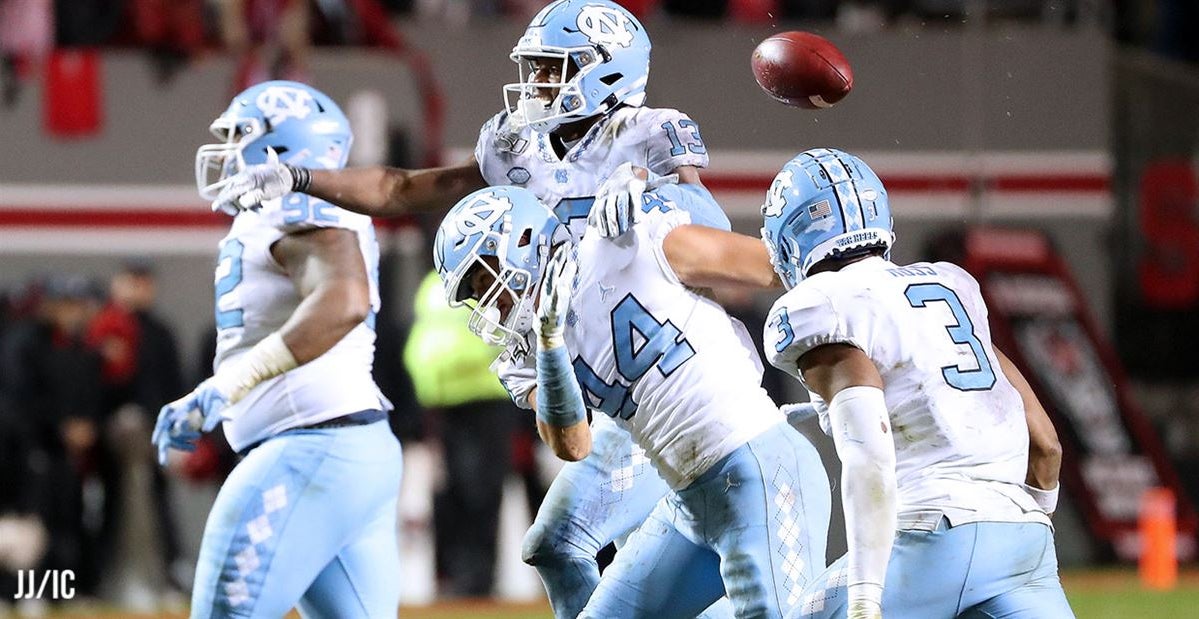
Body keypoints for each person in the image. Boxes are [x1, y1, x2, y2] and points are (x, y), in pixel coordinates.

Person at [209, 2, 739, 616]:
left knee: (670, 548)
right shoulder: (517, 144)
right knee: (580, 548)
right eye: (536, 67)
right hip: (576, 361)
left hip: (656, 366)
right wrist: (301, 178)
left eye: (554, 68)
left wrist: (651, 194)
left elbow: (711, 230)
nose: (537, 82)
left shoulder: (649, 133)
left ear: (609, 69)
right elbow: (401, 187)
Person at [433, 182, 832, 618]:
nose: (490, 302)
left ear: (523, 240)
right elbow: (573, 445)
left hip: (762, 469)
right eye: (477, 292)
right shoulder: (528, 353)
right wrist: (550, 345)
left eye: (485, 277)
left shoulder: (624, 241)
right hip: (690, 499)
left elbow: (772, 267)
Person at [756, 148, 1073, 619]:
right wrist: (1028, 524)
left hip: (931, 536)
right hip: (1024, 540)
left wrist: (865, 598)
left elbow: (870, 456)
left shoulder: (821, 305)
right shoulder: (953, 287)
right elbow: (1046, 444)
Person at [152, 81, 401, 618]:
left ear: (283, 146)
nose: (226, 151)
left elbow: (344, 300)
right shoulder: (281, 211)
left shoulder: (297, 203)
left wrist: (229, 384)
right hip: (347, 449)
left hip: (310, 449)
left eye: (239, 136)